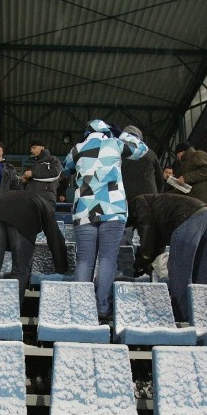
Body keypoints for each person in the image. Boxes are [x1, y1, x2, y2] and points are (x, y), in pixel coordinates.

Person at [63, 119, 147, 319]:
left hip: (84, 210)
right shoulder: (115, 144)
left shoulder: (78, 148)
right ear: (108, 130)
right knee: (107, 259)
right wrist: (120, 134)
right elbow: (141, 149)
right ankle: (101, 308)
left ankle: (81, 310)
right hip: (112, 208)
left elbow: (65, 168)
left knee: (84, 260)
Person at [129, 193, 207, 323]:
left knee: (179, 273)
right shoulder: (155, 204)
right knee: (202, 274)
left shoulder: (138, 203)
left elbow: (148, 234)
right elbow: (157, 242)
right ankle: (205, 318)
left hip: (188, 217)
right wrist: (146, 261)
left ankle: (182, 318)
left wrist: (143, 259)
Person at [0, 189, 68, 303]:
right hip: (23, 214)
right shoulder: (45, 205)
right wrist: (62, 269)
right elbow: (55, 238)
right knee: (20, 270)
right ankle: (11, 313)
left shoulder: (30, 197)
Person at [169, 141, 207, 207]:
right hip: (197, 202)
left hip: (203, 202)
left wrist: (185, 178)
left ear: (182, 152)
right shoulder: (186, 163)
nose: (177, 158)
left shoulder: (198, 154)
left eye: (177, 155)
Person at [23, 138, 62, 208]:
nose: (31, 150)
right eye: (31, 149)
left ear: (42, 147)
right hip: (31, 199)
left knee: (46, 219)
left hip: (46, 198)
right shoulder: (34, 164)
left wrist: (33, 174)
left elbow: (55, 174)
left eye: (34, 148)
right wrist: (26, 181)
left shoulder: (52, 159)